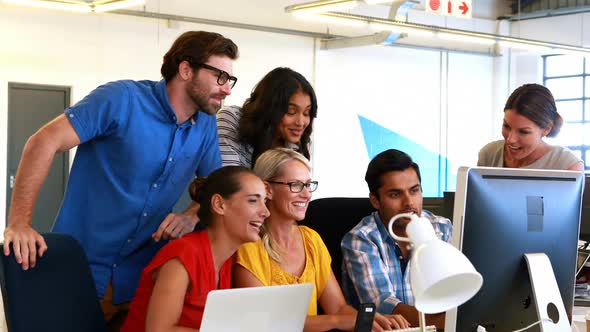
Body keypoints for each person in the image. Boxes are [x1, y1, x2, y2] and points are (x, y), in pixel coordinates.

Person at [3, 30, 238, 322]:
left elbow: (217, 190)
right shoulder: (121, 99)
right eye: (219, 77)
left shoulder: (204, 126)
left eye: (229, 80)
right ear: (186, 69)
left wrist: (191, 214)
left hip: (141, 279)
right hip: (78, 271)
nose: (227, 89)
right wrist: (18, 223)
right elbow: (43, 142)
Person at [233, 148, 410, 331]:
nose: (306, 194)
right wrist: (336, 321)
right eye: (296, 185)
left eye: (308, 185)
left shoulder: (311, 239)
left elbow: (339, 308)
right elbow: (265, 322)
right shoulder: (249, 244)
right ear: (267, 189)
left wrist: (373, 320)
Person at [121, 166, 269, 331]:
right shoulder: (183, 254)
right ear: (219, 205)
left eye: (265, 201)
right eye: (253, 201)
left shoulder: (228, 259)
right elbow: (159, 330)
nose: (266, 212)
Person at [341, 149, 452, 329]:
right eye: (395, 194)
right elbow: (385, 307)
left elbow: (454, 293)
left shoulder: (442, 228)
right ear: (376, 200)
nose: (409, 202)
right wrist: (451, 321)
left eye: (414, 191)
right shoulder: (361, 240)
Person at [217, 67, 317, 168]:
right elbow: (228, 180)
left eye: (306, 113)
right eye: (291, 112)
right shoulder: (232, 118)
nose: (300, 122)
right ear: (270, 108)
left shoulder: (293, 145)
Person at [478, 83, 584, 171]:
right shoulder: (489, 154)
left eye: (523, 132)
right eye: (506, 126)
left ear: (547, 129)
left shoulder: (567, 164)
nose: (510, 139)